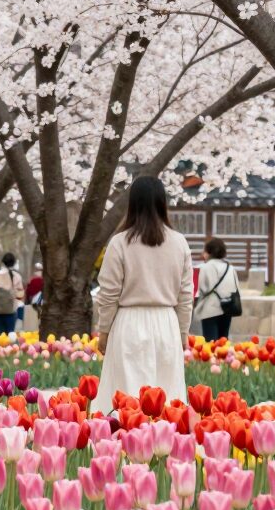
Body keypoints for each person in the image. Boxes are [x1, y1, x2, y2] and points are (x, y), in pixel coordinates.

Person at [91, 176, 192, 415]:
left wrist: (103, 331)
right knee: (167, 397)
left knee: (127, 396)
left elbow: (108, 293)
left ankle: (127, 446)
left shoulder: (120, 243)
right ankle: (163, 448)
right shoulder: (179, 243)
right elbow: (186, 294)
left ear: (132, 203)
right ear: (162, 203)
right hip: (166, 323)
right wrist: (183, 332)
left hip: (129, 324)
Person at [194, 237, 240, 343]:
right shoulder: (230, 268)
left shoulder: (204, 268)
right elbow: (235, 288)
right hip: (227, 308)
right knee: (223, 343)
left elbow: (198, 289)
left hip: (209, 310)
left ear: (208, 252)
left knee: (211, 343)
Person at [0, 252, 24, 335]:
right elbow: (20, 294)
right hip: (10, 310)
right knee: (10, 336)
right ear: (13, 263)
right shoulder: (17, 276)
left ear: (2, 262)